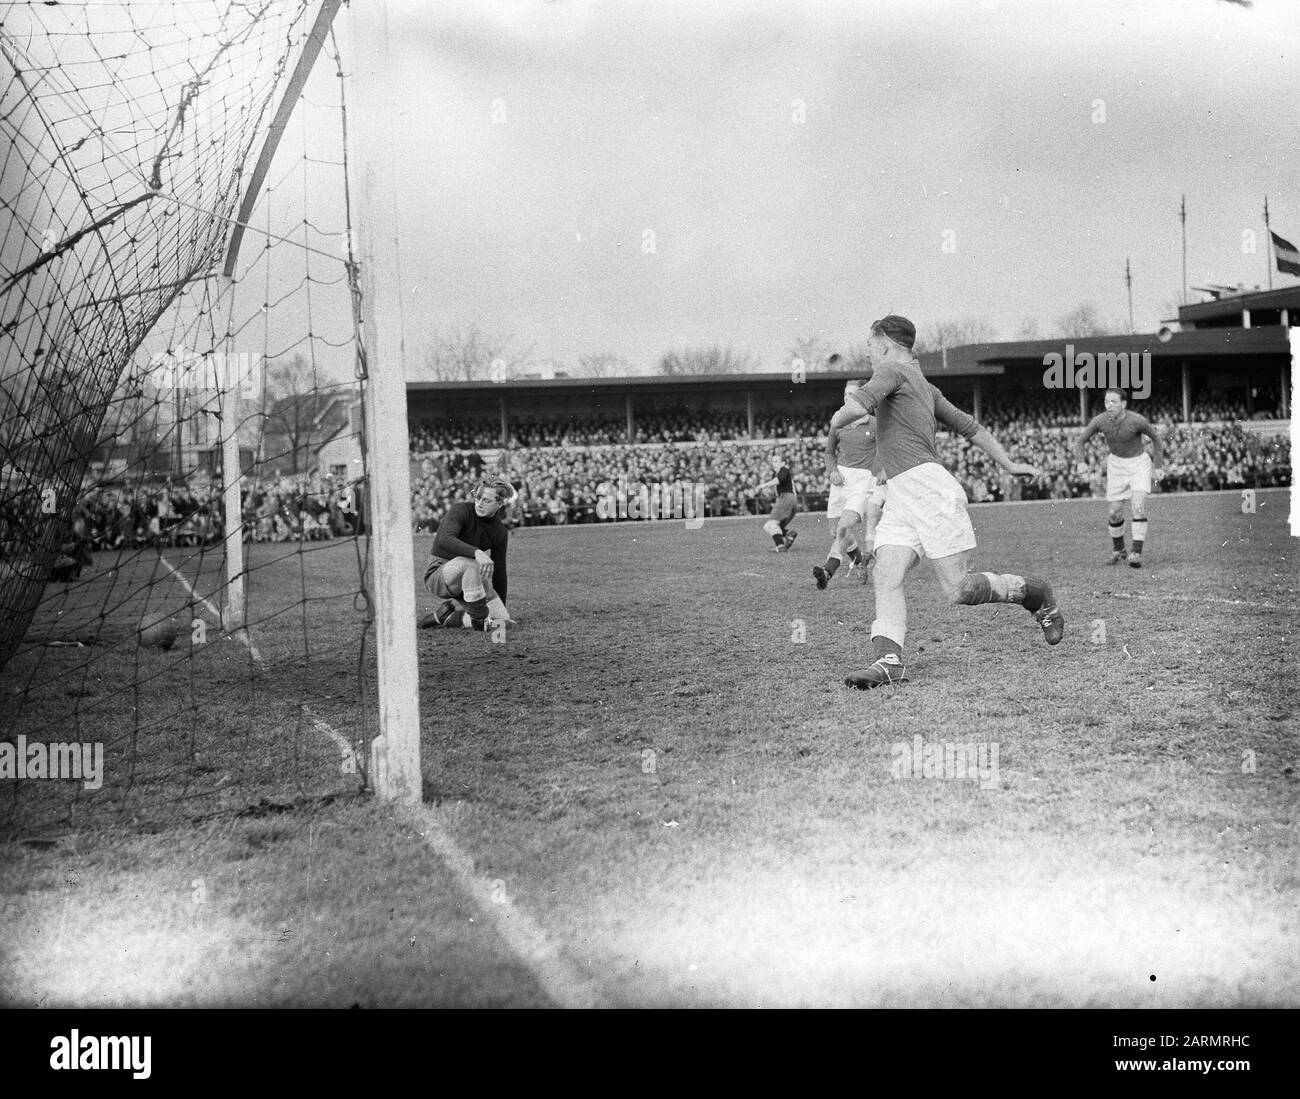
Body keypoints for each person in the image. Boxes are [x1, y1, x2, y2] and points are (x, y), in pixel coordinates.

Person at [829, 314, 1065, 689]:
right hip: (904, 496)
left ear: (886, 344)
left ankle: (1033, 591)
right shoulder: (923, 384)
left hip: (929, 490)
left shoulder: (891, 372)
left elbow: (853, 409)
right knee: (885, 574)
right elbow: (972, 427)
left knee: (960, 590)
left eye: (871, 346)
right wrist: (1008, 462)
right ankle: (889, 661)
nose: (869, 353)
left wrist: (833, 424)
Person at [1074, 388, 1164, 568]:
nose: (1109, 405)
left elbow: (1156, 438)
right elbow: (1080, 441)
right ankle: (1119, 550)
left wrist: (1158, 466)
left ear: (1123, 404)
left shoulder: (1137, 420)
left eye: (1113, 402)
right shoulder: (1100, 420)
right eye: (1106, 402)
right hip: (1116, 465)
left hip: (1138, 463)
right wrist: (1080, 462)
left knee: (1137, 506)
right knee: (1114, 512)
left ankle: (1136, 553)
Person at [814, 375, 886, 589]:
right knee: (835, 530)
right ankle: (857, 559)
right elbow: (829, 453)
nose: (847, 398)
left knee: (844, 526)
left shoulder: (875, 423)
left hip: (863, 481)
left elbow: (886, 448)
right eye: (845, 394)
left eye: (852, 394)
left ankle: (828, 570)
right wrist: (832, 471)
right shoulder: (838, 422)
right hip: (840, 480)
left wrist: (882, 468)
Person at [420, 475, 516, 630]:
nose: (479, 503)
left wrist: (500, 609)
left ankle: (447, 617)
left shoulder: (500, 532)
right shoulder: (461, 510)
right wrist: (476, 552)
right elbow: (444, 539)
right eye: (478, 497)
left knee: (501, 621)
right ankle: (479, 619)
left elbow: (499, 572)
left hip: (471, 579)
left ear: (500, 503)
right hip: (439, 575)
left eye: (486, 500)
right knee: (471, 565)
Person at [752, 456, 799, 551]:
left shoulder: (784, 470)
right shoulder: (782, 472)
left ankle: (780, 546)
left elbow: (779, 480)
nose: (774, 463)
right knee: (778, 526)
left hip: (786, 498)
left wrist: (763, 486)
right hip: (792, 500)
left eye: (776, 461)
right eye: (773, 461)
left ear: (783, 463)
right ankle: (789, 533)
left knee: (770, 525)